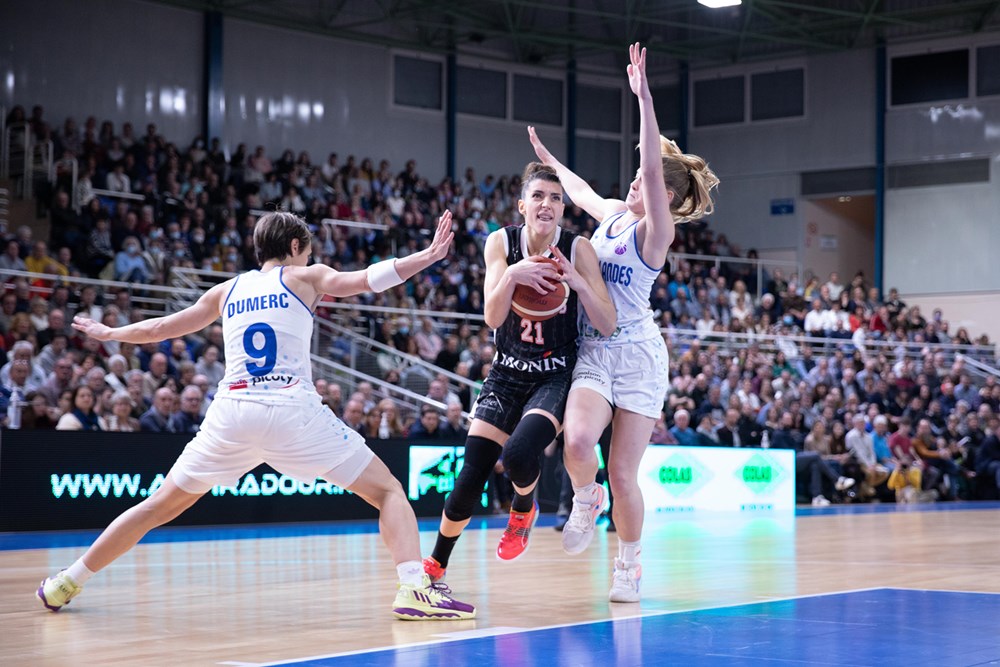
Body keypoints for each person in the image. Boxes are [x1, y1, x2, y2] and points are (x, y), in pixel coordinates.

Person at [37, 210, 474, 620]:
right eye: (308, 247)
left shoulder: (226, 290)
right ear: (298, 244)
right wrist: (428, 256)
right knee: (388, 491)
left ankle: (66, 582)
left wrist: (110, 332)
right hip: (290, 409)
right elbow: (366, 280)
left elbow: (160, 328)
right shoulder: (306, 276)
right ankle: (414, 588)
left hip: (232, 412)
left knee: (156, 507)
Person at [526, 43, 719, 602]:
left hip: (638, 354)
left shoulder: (657, 234)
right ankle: (586, 499)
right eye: (634, 176)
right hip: (595, 346)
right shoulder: (613, 214)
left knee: (624, 472)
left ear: (668, 198)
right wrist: (549, 160)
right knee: (578, 442)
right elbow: (582, 191)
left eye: (644, 179)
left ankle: (629, 565)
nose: (636, 181)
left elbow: (656, 168)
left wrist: (644, 98)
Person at [422, 162, 616, 584]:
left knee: (519, 456)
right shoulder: (501, 242)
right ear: (522, 205)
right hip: (506, 372)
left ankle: (524, 507)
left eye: (556, 198)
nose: (547, 204)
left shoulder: (579, 248)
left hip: (555, 374)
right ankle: (434, 570)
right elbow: (493, 316)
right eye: (539, 196)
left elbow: (607, 322)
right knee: (469, 479)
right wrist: (512, 274)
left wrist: (578, 283)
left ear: (563, 208)